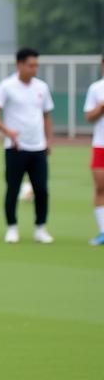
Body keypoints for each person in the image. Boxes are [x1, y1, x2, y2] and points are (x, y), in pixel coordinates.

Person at [0, 48, 54, 244]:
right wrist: (8, 132)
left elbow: (46, 115)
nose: (34, 69)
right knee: (13, 189)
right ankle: (12, 227)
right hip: (15, 148)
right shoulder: (7, 86)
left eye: (36, 66)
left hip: (38, 147)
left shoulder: (42, 87)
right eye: (30, 65)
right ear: (19, 65)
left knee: (41, 189)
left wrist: (48, 140)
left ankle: (41, 228)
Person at [84, 55, 104, 246]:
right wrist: (101, 107)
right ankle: (103, 231)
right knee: (100, 187)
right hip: (100, 145)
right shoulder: (96, 89)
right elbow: (89, 116)